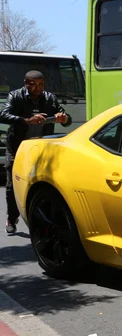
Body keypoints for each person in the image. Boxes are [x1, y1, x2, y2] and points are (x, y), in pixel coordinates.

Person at [0, 70, 72, 234]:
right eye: (33, 85)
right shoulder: (15, 96)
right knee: (12, 186)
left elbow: (67, 118)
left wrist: (64, 118)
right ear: (26, 83)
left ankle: (43, 221)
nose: (38, 88)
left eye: (41, 85)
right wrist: (26, 120)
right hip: (17, 149)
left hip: (42, 151)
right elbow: (3, 115)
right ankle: (12, 217)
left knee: (43, 186)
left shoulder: (49, 98)